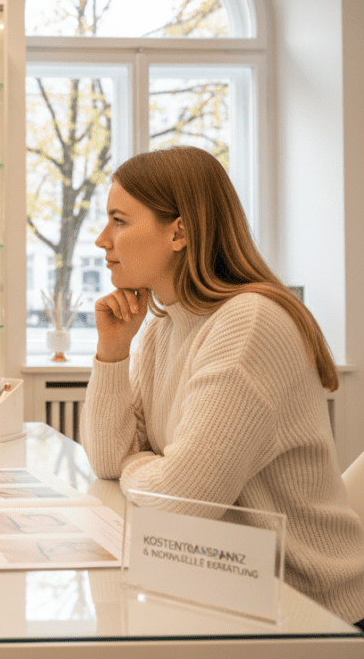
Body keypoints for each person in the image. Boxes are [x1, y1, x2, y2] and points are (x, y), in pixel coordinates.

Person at [81, 145, 364, 628]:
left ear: (180, 231)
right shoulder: (164, 326)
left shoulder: (248, 324)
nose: (102, 240)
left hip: (311, 611)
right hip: (233, 587)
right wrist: (112, 352)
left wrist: (143, 463)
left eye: (120, 220)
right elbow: (108, 462)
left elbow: (182, 500)